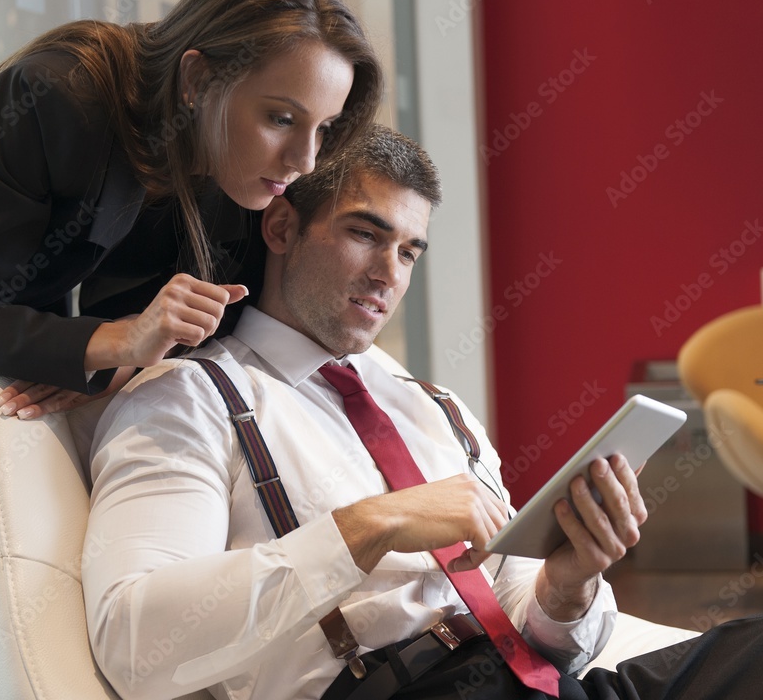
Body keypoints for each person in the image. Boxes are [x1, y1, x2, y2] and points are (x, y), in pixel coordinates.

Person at [0, 0, 383, 696]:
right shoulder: (55, 95)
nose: (304, 159)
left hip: (26, 281)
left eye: (324, 127)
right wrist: (109, 343)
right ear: (197, 79)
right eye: (281, 118)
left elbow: (213, 314)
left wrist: (106, 357)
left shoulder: (248, 164)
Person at [82, 125, 763, 700]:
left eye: (408, 251)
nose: (389, 274)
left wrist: (569, 585)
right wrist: (372, 525)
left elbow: (536, 623)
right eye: (365, 234)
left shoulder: (433, 407)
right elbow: (133, 642)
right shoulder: (188, 397)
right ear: (283, 227)